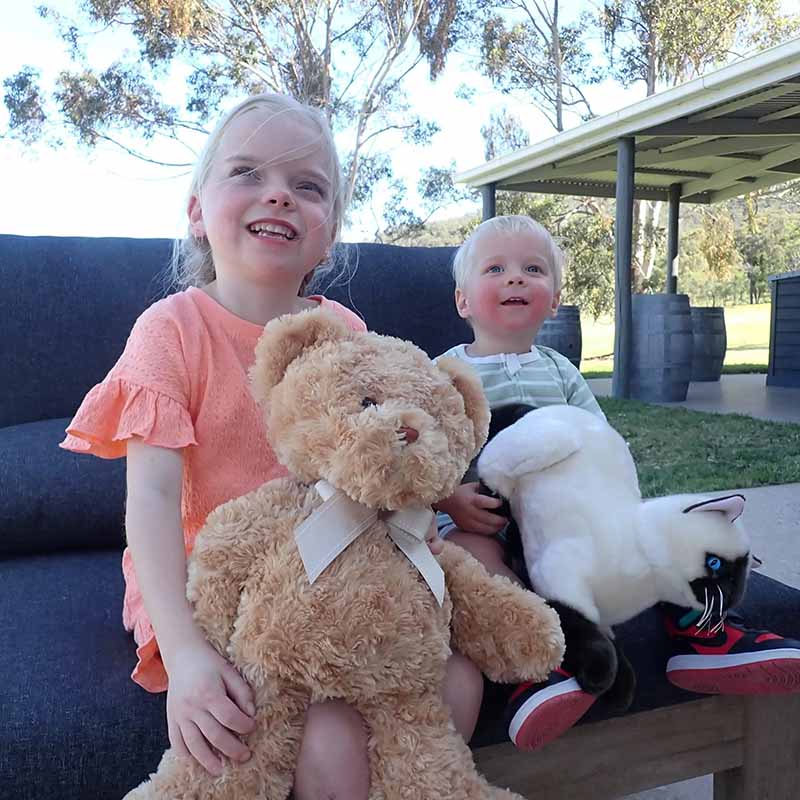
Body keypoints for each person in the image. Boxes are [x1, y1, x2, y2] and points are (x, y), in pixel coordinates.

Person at [60, 93, 483, 800]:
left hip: (340, 570)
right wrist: (189, 656)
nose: (278, 194)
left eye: (307, 186)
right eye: (248, 173)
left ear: (328, 233)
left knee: (459, 676)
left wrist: (428, 508)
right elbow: (153, 501)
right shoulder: (171, 330)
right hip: (216, 584)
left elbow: (368, 463)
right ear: (198, 210)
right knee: (328, 739)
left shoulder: (345, 329)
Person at [434, 214, 800, 752]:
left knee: (662, 537)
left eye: (532, 269)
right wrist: (450, 497)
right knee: (478, 569)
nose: (516, 278)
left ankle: (706, 634)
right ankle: (535, 668)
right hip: (486, 515)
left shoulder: (560, 369)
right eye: (497, 269)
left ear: (554, 299)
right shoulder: (445, 372)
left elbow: (601, 442)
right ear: (464, 301)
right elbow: (423, 450)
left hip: (569, 517)